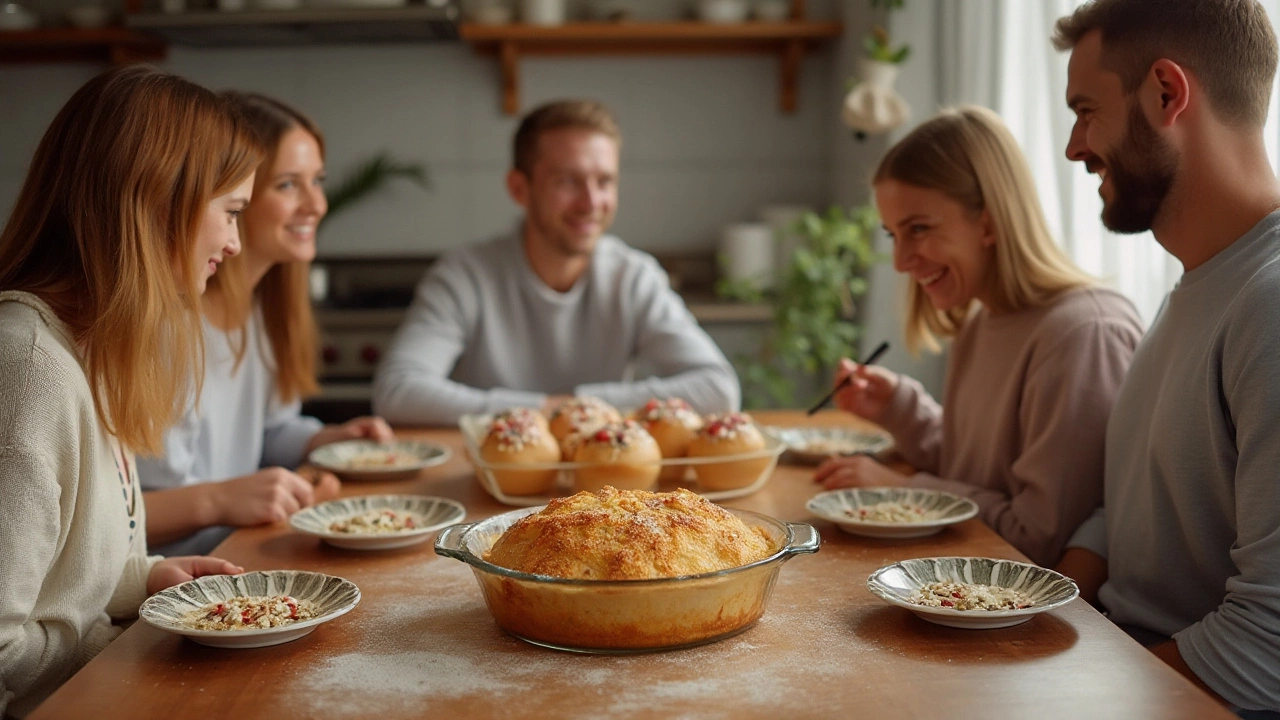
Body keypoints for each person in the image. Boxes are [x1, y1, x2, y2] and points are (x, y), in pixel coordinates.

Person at [0, 66, 253, 718]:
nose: (234, 243)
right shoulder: (29, 369)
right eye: (229, 213)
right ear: (156, 203)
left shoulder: (85, 350)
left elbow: (57, 583)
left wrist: (143, 582)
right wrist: (125, 644)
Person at [1052, 0, 1280, 713]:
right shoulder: (1196, 283)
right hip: (1125, 662)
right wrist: (1032, 608)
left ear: (1166, 93)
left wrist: (1081, 697)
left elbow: (1268, 645)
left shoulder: (1269, 303)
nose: (1073, 146)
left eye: (1086, 110)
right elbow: (1128, 511)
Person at [812, 105, 1143, 569]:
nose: (902, 262)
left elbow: (1038, 539)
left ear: (988, 222)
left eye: (919, 229)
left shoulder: (1083, 334)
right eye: (893, 235)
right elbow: (973, 473)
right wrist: (900, 409)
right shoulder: (982, 319)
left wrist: (903, 491)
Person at [372, 100, 740, 425]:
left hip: (605, 489)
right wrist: (548, 409)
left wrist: (580, 406)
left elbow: (718, 388)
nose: (591, 202)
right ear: (519, 188)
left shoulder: (633, 277)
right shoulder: (464, 276)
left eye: (605, 181)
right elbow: (398, 391)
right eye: (568, 181)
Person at [137, 92, 394, 558]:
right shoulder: (169, 331)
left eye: (317, 180)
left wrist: (324, 439)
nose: (317, 204)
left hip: (235, 551)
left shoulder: (261, 312)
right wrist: (221, 500)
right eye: (288, 185)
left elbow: (269, 433)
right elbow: (121, 517)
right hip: (175, 580)